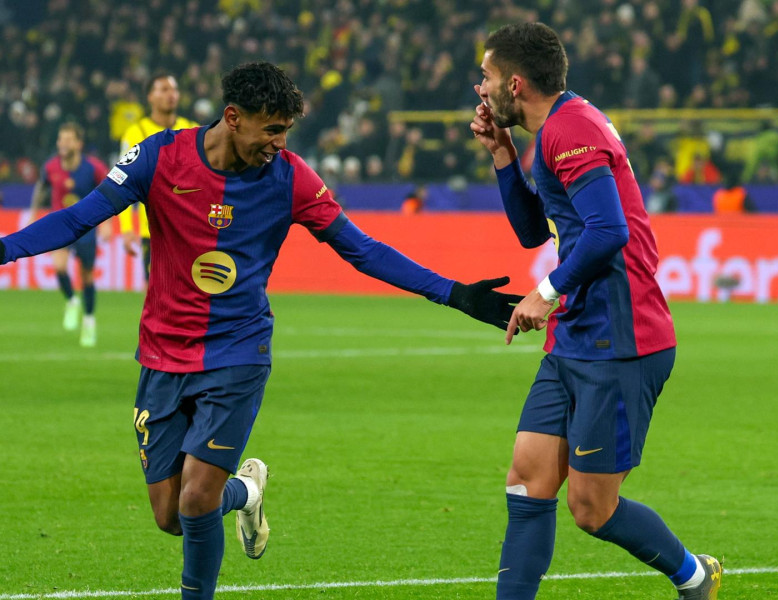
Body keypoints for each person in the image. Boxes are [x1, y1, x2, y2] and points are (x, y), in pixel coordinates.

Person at [0, 61, 522, 600]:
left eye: (285, 132)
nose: (278, 143)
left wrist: (454, 293)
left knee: (196, 501)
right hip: (163, 354)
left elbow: (362, 250)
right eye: (270, 129)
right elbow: (79, 217)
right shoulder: (158, 157)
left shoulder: (292, 178)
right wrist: (5, 249)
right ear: (233, 118)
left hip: (238, 353)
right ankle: (246, 490)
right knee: (169, 514)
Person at [470, 23, 722, 600]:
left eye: (485, 77)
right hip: (576, 338)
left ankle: (694, 576)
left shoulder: (571, 129)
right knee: (528, 482)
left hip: (622, 340)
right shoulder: (549, 133)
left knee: (591, 508)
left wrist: (546, 291)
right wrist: (504, 157)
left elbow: (608, 230)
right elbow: (537, 228)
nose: (480, 89)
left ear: (514, 82)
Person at [28, 121, 110, 347]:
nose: (62, 143)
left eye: (67, 139)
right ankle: (72, 301)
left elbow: (111, 190)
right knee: (60, 266)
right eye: (60, 139)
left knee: (86, 277)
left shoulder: (93, 167)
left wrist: (108, 222)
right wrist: (34, 211)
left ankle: (89, 322)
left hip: (86, 226)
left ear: (78, 143)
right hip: (61, 225)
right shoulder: (51, 166)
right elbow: (41, 186)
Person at [117, 73, 199, 287]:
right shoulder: (136, 133)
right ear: (150, 97)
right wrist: (126, 228)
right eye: (163, 89)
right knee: (157, 295)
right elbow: (123, 183)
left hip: (189, 229)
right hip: (154, 231)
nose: (170, 95)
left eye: (173, 89)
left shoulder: (193, 129)